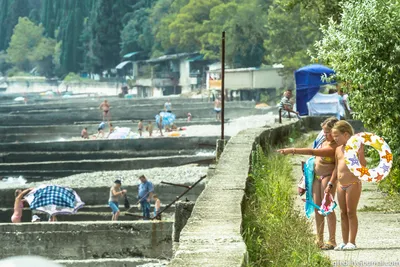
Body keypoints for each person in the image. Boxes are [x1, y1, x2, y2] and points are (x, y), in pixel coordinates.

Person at [277, 117, 339, 250]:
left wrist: (291, 150)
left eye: (328, 132)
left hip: (327, 177)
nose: (325, 134)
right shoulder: (323, 141)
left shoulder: (334, 147)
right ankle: (319, 238)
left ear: (335, 132)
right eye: (324, 132)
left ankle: (332, 240)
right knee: (317, 208)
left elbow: (311, 152)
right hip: (316, 176)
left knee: (327, 208)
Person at [325, 120, 365, 251]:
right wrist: (330, 183)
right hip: (340, 185)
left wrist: (361, 153)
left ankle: (352, 242)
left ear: (346, 135)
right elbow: (337, 168)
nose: (334, 138)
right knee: (342, 213)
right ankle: (344, 241)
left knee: (351, 212)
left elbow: (363, 166)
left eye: (337, 136)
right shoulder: (337, 150)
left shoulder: (355, 148)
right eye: (333, 136)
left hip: (353, 183)